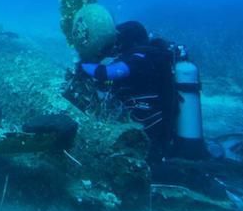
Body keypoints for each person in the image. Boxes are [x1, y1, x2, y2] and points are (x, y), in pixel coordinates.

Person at [78, 20, 184, 160]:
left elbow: (108, 73)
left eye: (118, 40)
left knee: (152, 152)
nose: (116, 45)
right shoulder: (143, 54)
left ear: (128, 40)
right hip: (151, 113)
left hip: (154, 120)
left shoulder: (142, 55)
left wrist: (83, 65)